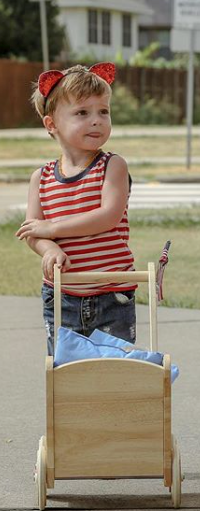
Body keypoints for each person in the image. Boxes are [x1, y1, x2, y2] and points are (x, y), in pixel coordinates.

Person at [16, 63, 136, 356]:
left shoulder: (112, 165)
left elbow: (108, 216)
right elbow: (33, 230)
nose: (96, 120)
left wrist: (54, 228)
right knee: (66, 375)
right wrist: (49, 249)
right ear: (51, 124)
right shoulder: (41, 178)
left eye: (103, 111)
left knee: (112, 370)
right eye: (83, 112)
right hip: (62, 295)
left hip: (111, 293)